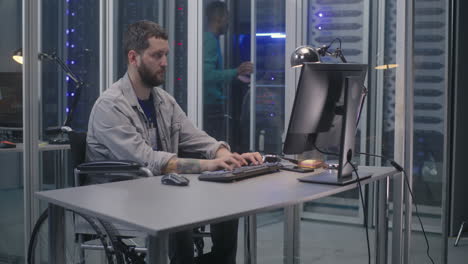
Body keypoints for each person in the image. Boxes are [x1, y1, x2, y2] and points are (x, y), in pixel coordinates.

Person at [86, 20, 263, 264]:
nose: (165, 63)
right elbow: (146, 159)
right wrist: (207, 165)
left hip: (159, 191)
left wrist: (222, 153)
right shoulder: (110, 106)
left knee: (227, 200)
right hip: (119, 198)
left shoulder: (163, 101)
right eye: (157, 55)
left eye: (166, 55)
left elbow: (195, 136)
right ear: (133, 57)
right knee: (177, 210)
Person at [203, 1, 254, 141]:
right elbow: (206, 75)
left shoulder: (212, 39)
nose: (228, 23)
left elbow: (213, 73)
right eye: (227, 18)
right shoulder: (210, 41)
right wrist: (235, 72)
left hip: (212, 105)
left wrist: (236, 77)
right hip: (210, 107)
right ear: (219, 18)